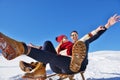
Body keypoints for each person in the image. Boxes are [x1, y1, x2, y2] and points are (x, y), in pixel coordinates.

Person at [0, 14, 120, 79]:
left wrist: (107, 25)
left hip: (72, 65)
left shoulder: (79, 43)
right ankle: (39, 68)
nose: (73, 36)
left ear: (77, 35)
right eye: (71, 35)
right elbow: (44, 51)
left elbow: (93, 35)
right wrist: (35, 46)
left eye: (75, 34)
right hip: (58, 65)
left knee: (84, 42)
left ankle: (22, 49)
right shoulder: (62, 46)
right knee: (47, 44)